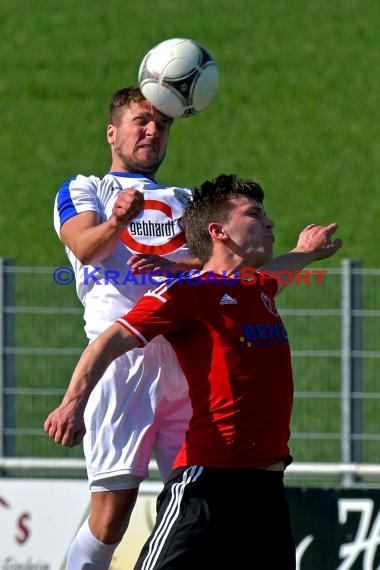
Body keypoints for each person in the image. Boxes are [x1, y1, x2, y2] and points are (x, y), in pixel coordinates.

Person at [45, 173, 343, 569]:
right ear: (219, 231)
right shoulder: (185, 293)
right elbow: (106, 343)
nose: (269, 223)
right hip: (207, 485)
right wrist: (72, 405)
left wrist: (305, 251)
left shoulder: (257, 286)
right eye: (254, 214)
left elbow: (284, 265)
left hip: (266, 487)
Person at [47, 86, 200, 569]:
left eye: (163, 124)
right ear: (113, 132)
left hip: (187, 363)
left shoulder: (187, 198)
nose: (153, 131)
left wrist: (183, 266)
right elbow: (86, 247)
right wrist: (117, 222)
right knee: (112, 518)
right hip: (120, 363)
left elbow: (219, 264)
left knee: (200, 505)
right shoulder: (84, 188)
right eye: (141, 121)